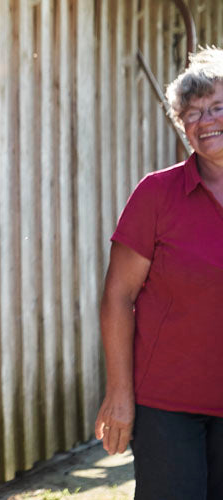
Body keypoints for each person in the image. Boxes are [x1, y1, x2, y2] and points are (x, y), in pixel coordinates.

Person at [94, 47, 223, 499]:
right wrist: (119, 394)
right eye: (191, 113)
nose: (205, 120)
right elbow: (117, 297)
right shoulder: (157, 195)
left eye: (217, 107)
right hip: (168, 406)